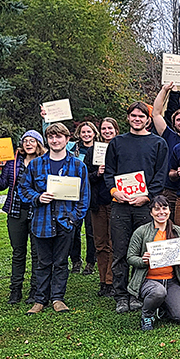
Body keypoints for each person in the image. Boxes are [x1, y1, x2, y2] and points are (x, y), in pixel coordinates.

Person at [104, 101, 169, 314]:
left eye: (141, 116)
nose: (137, 119)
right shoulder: (116, 143)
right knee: (121, 252)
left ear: (148, 119)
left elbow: (160, 177)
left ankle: (138, 293)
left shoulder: (158, 143)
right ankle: (121, 295)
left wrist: (147, 197)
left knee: (145, 252)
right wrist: (115, 192)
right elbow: (109, 174)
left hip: (145, 207)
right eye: (133, 116)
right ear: (128, 118)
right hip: (120, 207)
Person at [18, 122, 90, 315]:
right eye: (51, 137)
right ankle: (40, 300)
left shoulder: (78, 165)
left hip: (65, 222)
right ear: (47, 140)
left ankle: (58, 298)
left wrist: (74, 219)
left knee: (60, 262)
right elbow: (23, 188)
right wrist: (37, 198)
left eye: (59, 137)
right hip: (41, 222)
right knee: (42, 262)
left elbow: (84, 196)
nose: (55, 140)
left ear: (67, 140)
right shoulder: (36, 164)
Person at [0, 130, 46, 304]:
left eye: (32, 141)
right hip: (16, 212)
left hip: (38, 212)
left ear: (39, 143)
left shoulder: (44, 162)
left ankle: (35, 290)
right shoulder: (13, 162)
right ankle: (15, 290)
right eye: (25, 141)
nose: (28, 144)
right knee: (18, 252)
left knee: (37, 254)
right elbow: (1, 185)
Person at [126, 195, 180, 330]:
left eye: (164, 208)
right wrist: (143, 260)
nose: (161, 212)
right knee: (158, 292)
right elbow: (130, 257)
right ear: (151, 212)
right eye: (157, 209)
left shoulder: (177, 231)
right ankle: (147, 314)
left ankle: (162, 306)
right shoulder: (141, 231)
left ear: (169, 210)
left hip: (171, 281)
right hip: (149, 280)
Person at [83, 117, 119, 298]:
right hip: (98, 203)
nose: (107, 131)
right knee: (100, 243)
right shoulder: (93, 151)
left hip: (116, 202)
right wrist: (98, 173)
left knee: (114, 242)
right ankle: (103, 281)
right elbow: (86, 176)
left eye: (110, 128)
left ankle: (112, 280)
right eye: (104, 129)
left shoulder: (121, 148)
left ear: (116, 130)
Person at [152, 82, 180, 214]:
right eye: (178, 120)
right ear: (174, 123)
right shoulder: (169, 136)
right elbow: (156, 114)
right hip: (171, 190)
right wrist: (164, 90)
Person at [70, 121, 98, 275]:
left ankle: (90, 262)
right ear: (79, 134)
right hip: (73, 193)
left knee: (90, 230)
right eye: (83, 132)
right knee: (73, 229)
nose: (86, 135)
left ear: (94, 133)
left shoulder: (100, 149)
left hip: (91, 193)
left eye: (89, 132)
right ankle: (75, 261)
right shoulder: (72, 149)